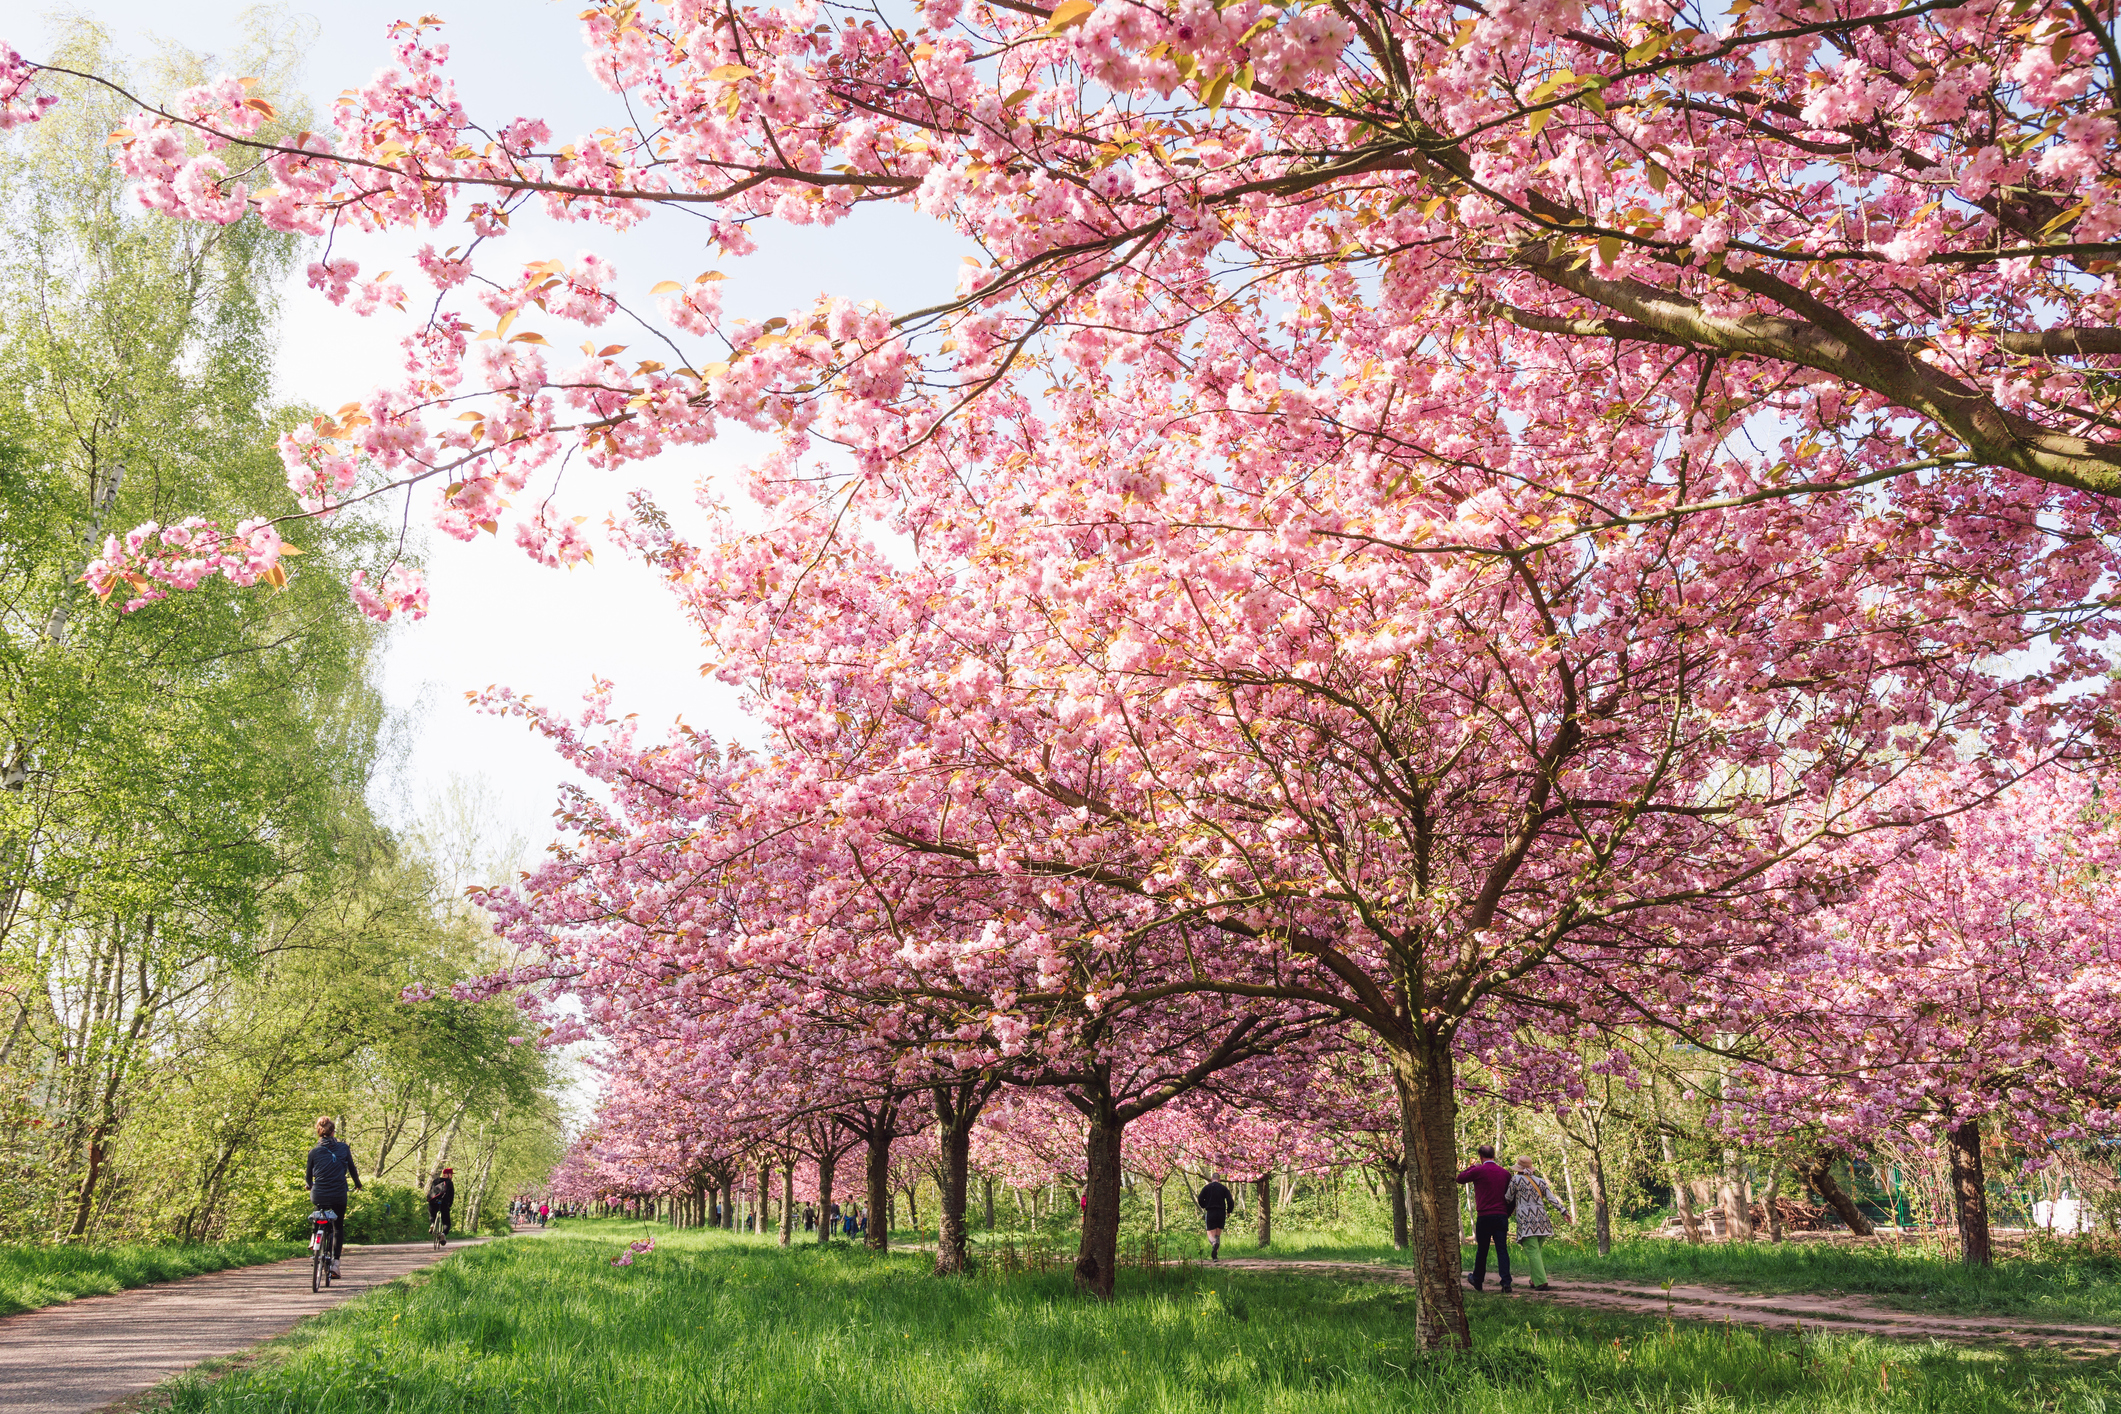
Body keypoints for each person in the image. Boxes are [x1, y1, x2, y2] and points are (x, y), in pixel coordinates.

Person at [304, 1116, 362, 1279]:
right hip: (338, 1194)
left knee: (319, 1210)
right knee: (338, 1227)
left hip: (319, 1194)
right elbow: (352, 1169)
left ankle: (315, 1237)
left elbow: (308, 1177)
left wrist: (309, 1185)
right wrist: (358, 1184)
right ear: (333, 1132)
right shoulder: (343, 1148)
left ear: (319, 1132)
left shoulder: (313, 1152)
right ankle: (335, 1264)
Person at [1456, 1144, 1513, 1293]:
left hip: (1485, 1216)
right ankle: (1506, 1282)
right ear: (1493, 1155)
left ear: (1481, 1157)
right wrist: (1507, 1213)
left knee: (1482, 1250)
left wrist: (1472, 1167)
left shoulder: (1479, 1171)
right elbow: (1511, 1196)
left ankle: (1478, 1279)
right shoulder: (1505, 1173)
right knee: (1502, 1249)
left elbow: (1460, 1178)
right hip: (1501, 1215)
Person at [1505, 1157, 1564, 1292]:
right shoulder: (1540, 1181)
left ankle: (1541, 1282)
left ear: (1518, 1169)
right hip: (1542, 1221)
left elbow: (1508, 1198)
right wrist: (1563, 1211)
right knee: (1535, 1252)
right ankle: (1534, 1279)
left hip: (1526, 1222)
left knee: (1532, 1253)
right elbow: (1551, 1198)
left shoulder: (1516, 1180)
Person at [1196, 1176, 1234, 1260]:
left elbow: (1200, 1198)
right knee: (1217, 1234)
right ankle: (1215, 1256)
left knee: (1210, 1234)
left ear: (1211, 1179)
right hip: (1221, 1212)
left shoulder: (1207, 1188)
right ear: (1219, 1179)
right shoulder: (1223, 1188)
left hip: (1211, 1212)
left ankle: (1214, 1244)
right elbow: (1230, 1200)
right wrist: (1229, 1211)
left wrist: (1205, 1205)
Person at [427, 1167, 456, 1244]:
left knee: (431, 1214)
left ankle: (432, 1224)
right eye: (450, 1174)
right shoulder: (449, 1183)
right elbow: (451, 1195)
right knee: (447, 1223)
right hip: (444, 1204)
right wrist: (449, 1205)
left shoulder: (435, 1181)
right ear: (445, 1174)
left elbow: (431, 1193)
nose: (451, 1176)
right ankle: (443, 1234)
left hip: (433, 1203)